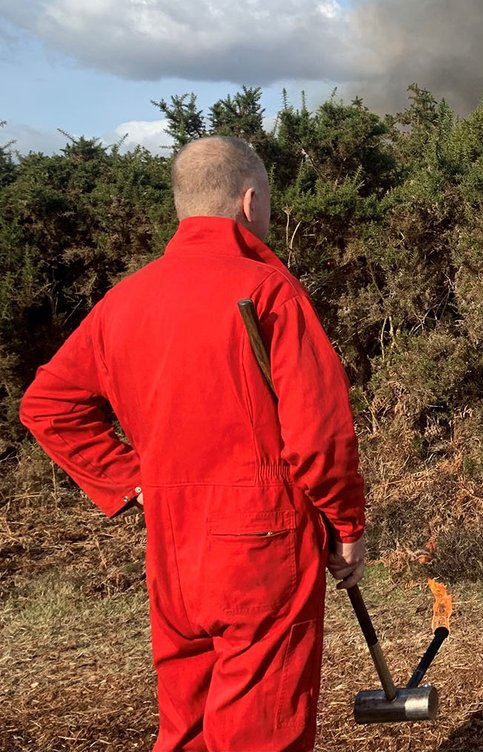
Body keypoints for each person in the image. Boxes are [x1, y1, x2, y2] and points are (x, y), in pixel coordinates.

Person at [19, 136, 366, 751]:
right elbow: (319, 436)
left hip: (173, 547)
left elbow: (48, 405)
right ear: (250, 200)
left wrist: (131, 480)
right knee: (260, 730)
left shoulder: (121, 301)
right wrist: (346, 524)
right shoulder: (267, 290)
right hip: (263, 546)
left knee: (190, 724)